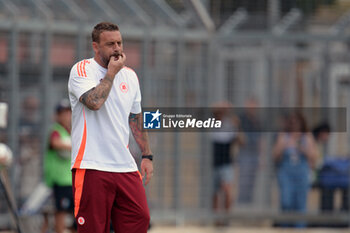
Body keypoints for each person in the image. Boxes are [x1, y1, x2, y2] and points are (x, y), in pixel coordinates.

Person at [68, 22, 153, 233]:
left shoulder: (131, 76)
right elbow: (94, 103)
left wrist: (147, 155)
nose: (117, 48)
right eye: (110, 44)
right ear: (96, 47)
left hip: (124, 165)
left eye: (119, 43)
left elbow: (135, 118)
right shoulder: (82, 70)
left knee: (140, 218)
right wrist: (111, 74)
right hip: (91, 164)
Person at [273, 112, 317, 227]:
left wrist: (302, 148)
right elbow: (275, 155)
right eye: (292, 122)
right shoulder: (284, 136)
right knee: (286, 202)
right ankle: (285, 227)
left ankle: (299, 228)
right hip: (287, 173)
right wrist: (285, 145)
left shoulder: (306, 136)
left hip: (301, 174)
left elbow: (313, 156)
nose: (294, 125)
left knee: (300, 205)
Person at [43, 99, 75, 233]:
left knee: (77, 212)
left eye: (68, 113)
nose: (66, 116)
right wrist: (73, 146)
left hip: (72, 179)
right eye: (63, 113)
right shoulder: (56, 130)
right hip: (60, 180)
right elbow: (55, 143)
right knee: (61, 211)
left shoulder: (72, 131)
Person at [211, 101, 242, 225]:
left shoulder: (230, 125)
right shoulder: (211, 123)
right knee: (215, 194)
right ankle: (216, 220)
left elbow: (241, 141)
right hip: (213, 163)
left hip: (226, 163)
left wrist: (237, 126)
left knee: (227, 190)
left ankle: (226, 219)